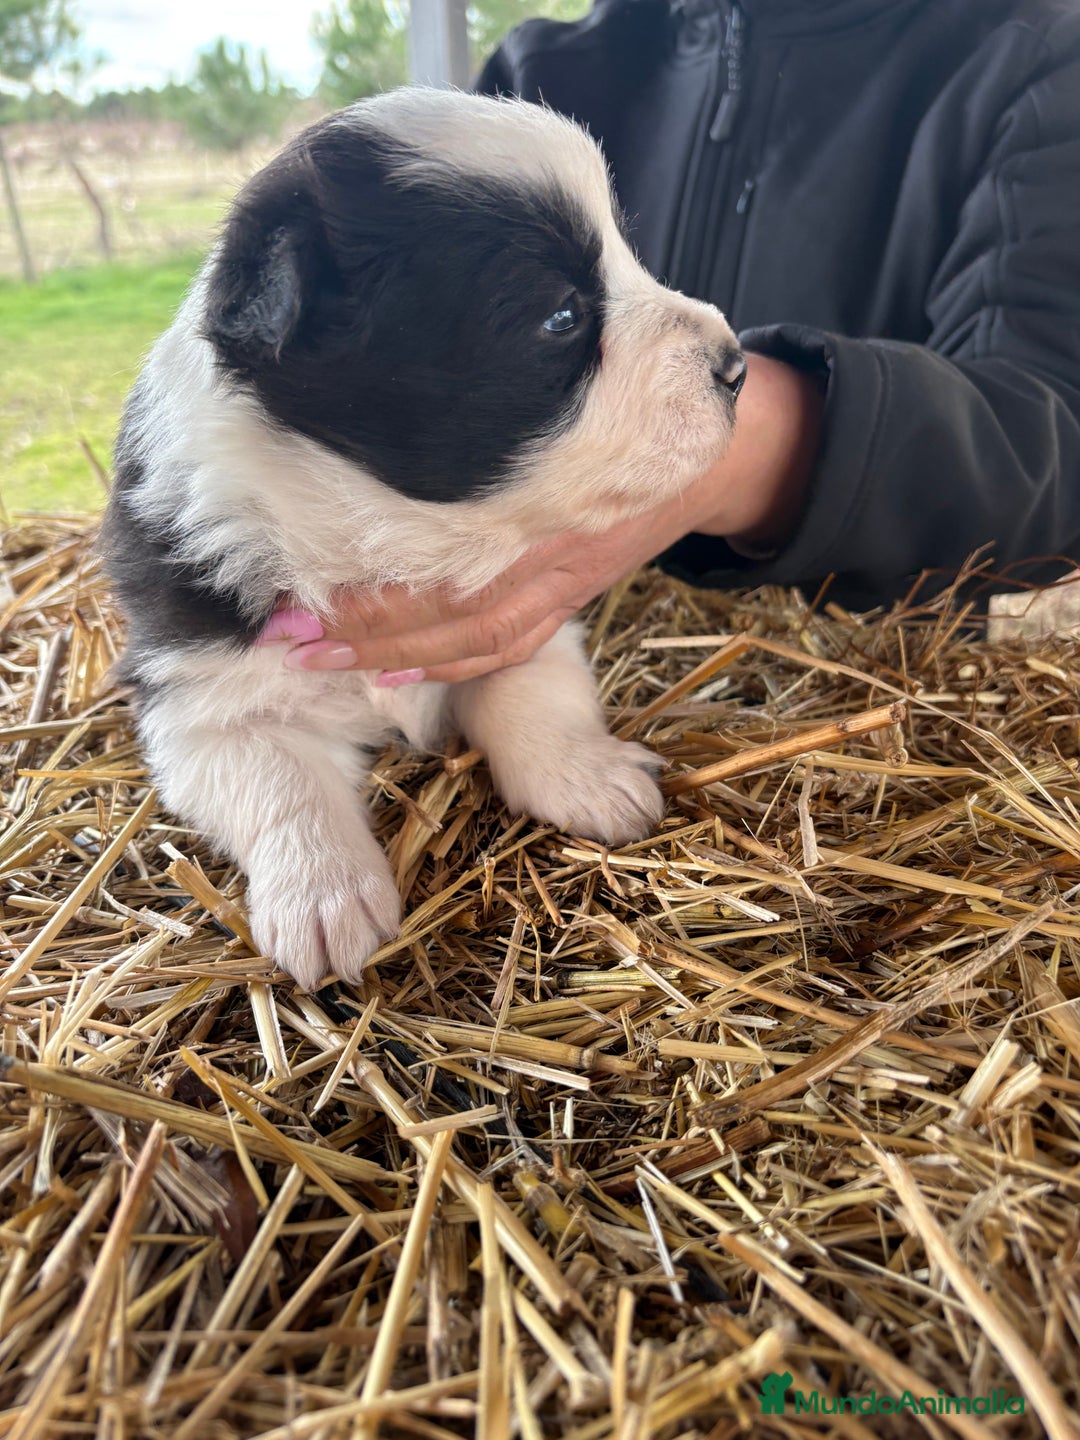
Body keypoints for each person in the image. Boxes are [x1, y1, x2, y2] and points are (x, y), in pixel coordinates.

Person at [271, 0, 1080, 684]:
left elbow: (1058, 433)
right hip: (525, 671)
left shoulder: (1040, 57)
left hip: (870, 684)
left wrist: (744, 450)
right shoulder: (537, 70)